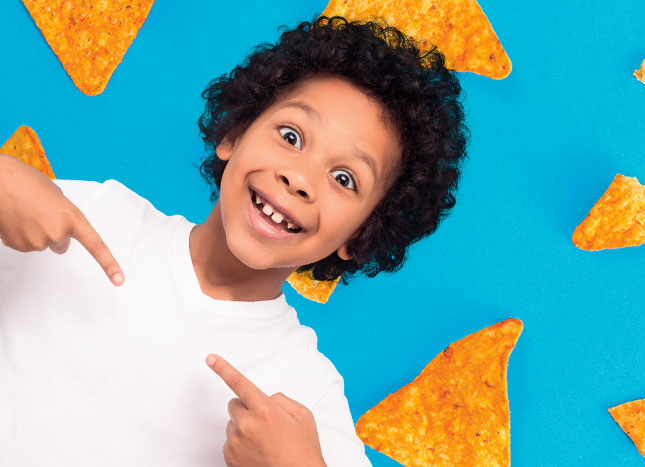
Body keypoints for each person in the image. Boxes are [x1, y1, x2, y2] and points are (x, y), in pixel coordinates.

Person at [0, 16, 467, 466]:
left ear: (362, 236)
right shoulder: (98, 217)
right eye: (291, 135)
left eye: (344, 178)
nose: (300, 178)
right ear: (234, 134)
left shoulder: (306, 391)